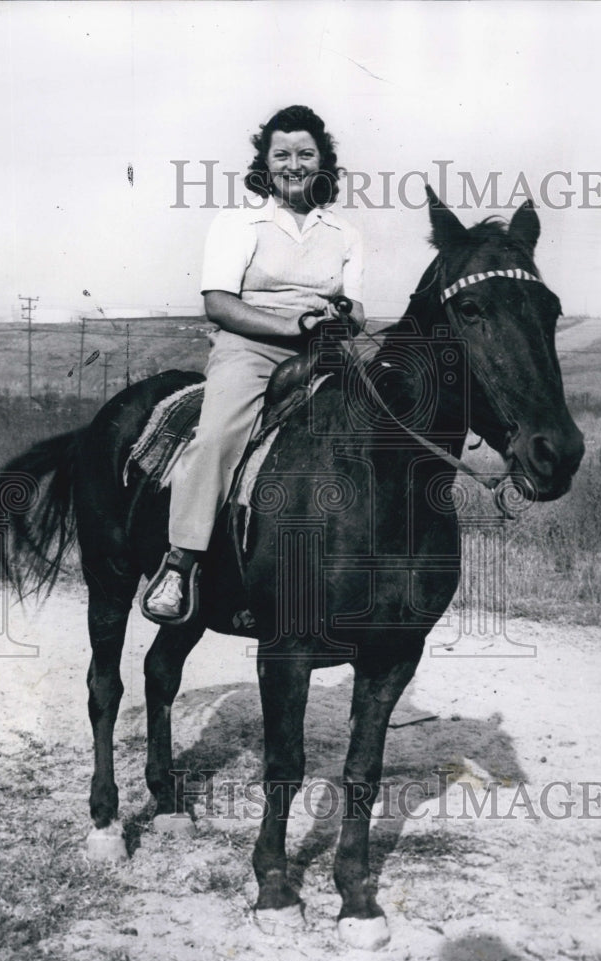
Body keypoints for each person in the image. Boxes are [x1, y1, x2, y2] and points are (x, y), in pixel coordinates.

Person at [142, 105, 364, 623]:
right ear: (265, 164)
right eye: (281, 154)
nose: (294, 165)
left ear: (322, 162)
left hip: (325, 352)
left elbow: (357, 306)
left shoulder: (345, 233)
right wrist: (291, 326)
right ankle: (180, 564)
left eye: (305, 154)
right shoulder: (239, 222)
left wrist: (341, 315)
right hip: (250, 348)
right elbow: (218, 303)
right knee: (218, 437)